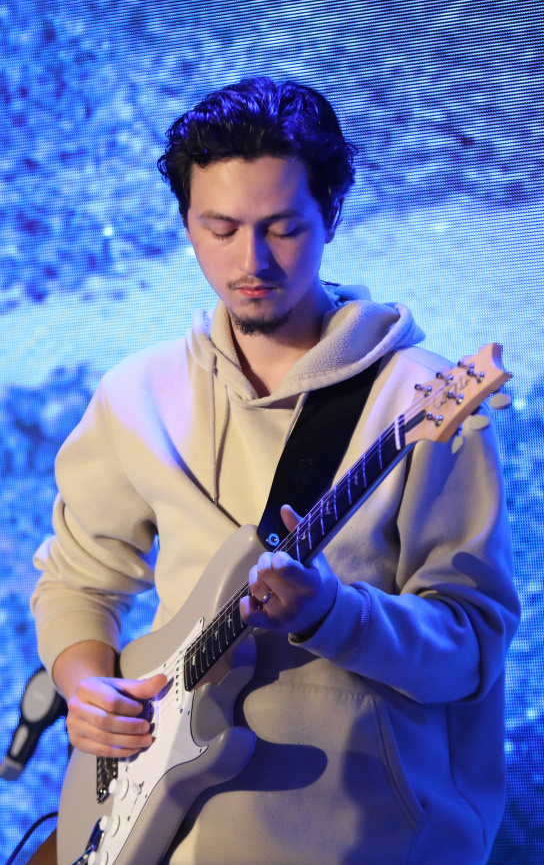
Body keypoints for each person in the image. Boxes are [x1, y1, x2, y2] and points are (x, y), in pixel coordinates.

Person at [31, 76, 520, 865]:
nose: (250, 260)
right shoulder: (135, 394)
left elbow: (471, 651)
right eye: (220, 228)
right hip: (169, 837)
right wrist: (86, 684)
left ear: (332, 214)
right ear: (186, 224)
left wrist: (333, 614)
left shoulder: (422, 402)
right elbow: (77, 583)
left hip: (370, 842)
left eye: (283, 228)